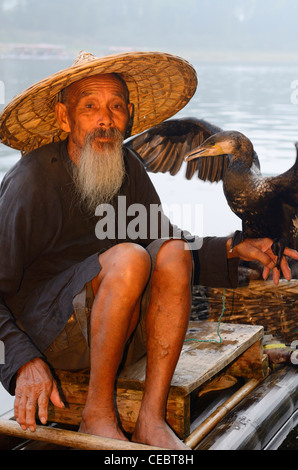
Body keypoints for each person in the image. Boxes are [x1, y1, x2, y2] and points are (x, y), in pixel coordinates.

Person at [0, 51, 297, 450]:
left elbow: (166, 239)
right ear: (64, 118)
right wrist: (23, 362)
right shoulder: (30, 182)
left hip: (123, 332)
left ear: (128, 116)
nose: (105, 119)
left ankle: (150, 420)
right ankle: (97, 414)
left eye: (116, 106)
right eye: (90, 107)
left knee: (171, 249)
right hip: (51, 339)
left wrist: (232, 248)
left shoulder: (127, 166)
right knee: (130, 258)